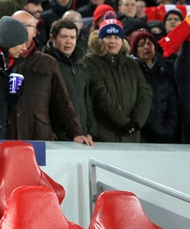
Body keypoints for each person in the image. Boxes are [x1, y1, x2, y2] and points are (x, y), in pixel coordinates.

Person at [7, 12, 93, 145]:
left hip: (38, 136)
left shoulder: (48, 62)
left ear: (35, 31)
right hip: (5, 133)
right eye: (16, 25)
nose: (20, 29)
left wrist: (75, 133)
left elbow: (62, 101)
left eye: (25, 25)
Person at [83, 12, 152, 143]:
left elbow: (145, 93)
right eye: (108, 37)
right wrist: (124, 122)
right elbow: (100, 95)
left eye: (116, 37)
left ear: (122, 40)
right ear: (100, 40)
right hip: (104, 135)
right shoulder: (90, 61)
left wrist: (136, 122)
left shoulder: (131, 63)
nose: (113, 41)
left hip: (131, 135)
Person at [44, 19, 97, 142]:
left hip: (81, 136)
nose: (69, 41)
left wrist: (91, 131)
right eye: (64, 37)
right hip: (58, 137)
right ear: (52, 38)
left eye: (72, 37)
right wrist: (47, 129)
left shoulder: (81, 66)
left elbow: (86, 102)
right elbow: (40, 102)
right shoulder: (45, 64)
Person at [129, 32, 179, 143]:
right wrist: (159, 130)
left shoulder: (163, 71)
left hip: (166, 135)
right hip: (142, 135)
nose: (146, 47)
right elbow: (136, 106)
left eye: (150, 44)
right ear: (135, 50)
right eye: (141, 45)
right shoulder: (131, 73)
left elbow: (172, 105)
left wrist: (169, 129)